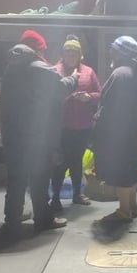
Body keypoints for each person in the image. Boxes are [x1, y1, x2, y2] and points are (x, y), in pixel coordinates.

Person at [0, 29, 78, 236]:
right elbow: (59, 89)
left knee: (16, 178)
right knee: (39, 177)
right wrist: (74, 78)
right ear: (38, 48)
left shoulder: (12, 67)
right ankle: (43, 219)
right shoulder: (38, 67)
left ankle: (12, 219)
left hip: (12, 135)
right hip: (35, 137)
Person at [93, 35, 137, 224]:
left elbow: (108, 104)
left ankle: (124, 211)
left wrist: (99, 121)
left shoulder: (120, 74)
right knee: (131, 166)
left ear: (121, 52)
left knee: (122, 168)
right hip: (133, 128)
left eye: (113, 48)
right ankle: (133, 206)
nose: (110, 51)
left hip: (118, 131)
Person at [50, 35, 101, 210]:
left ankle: (77, 194)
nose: (71, 55)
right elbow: (48, 97)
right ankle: (55, 197)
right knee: (60, 162)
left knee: (77, 160)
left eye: (74, 53)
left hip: (82, 126)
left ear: (80, 55)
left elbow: (99, 94)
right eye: (68, 52)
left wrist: (88, 97)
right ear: (63, 54)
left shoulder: (89, 72)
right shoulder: (54, 71)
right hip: (61, 126)